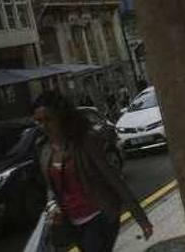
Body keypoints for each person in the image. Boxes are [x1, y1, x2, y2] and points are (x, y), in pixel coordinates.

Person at [34, 91, 153, 251]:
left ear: (61, 117)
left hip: (100, 215)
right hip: (73, 222)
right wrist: (52, 205)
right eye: (39, 121)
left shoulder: (85, 141)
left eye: (48, 119)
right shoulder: (44, 148)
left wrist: (141, 218)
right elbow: (51, 186)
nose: (43, 126)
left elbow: (113, 179)